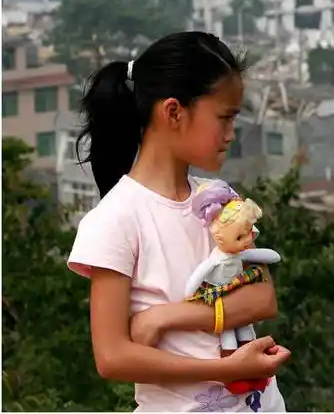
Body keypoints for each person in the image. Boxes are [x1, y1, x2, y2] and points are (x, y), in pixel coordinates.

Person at [67, 31, 291, 412]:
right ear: (173, 112)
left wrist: (166, 317)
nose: (230, 134)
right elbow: (112, 357)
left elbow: (261, 297)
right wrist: (222, 369)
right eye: (224, 117)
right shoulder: (115, 220)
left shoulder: (220, 199)